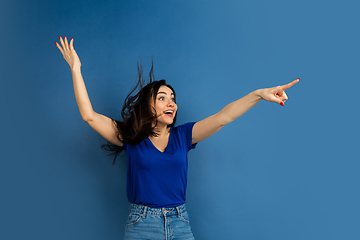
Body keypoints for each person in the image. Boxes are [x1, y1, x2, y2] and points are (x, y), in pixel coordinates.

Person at [55, 36, 299, 240]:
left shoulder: (184, 136)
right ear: (147, 106)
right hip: (142, 225)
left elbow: (223, 117)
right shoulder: (131, 139)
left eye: (172, 98)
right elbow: (89, 116)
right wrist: (76, 68)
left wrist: (258, 94)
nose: (170, 102)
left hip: (179, 222)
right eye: (162, 97)